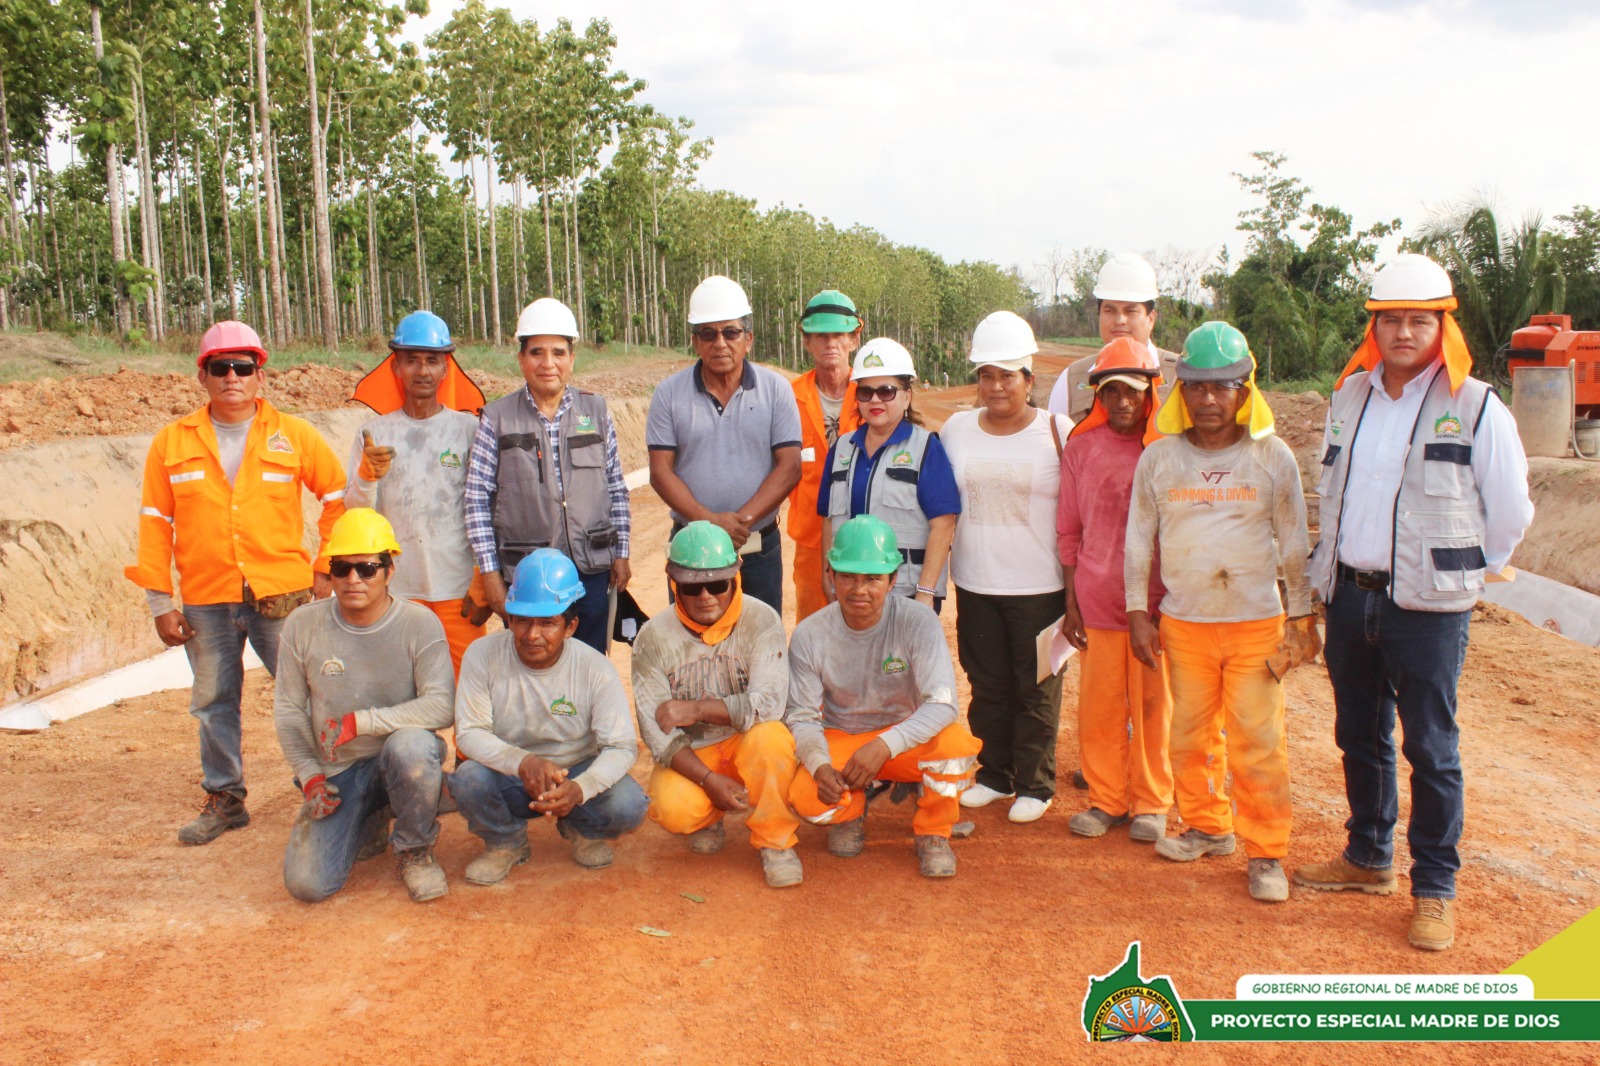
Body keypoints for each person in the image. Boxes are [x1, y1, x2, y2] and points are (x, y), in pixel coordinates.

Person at [1295, 253, 1534, 951]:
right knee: (1359, 735)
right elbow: (1332, 494)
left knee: (1432, 747)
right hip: (1351, 595)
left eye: (1419, 320)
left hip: (1429, 607)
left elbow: (1511, 508)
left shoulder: (1476, 405)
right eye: (1391, 320)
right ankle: (1368, 858)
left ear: (1442, 325)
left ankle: (1435, 887)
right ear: (1374, 326)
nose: (1404, 332)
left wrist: (1471, 571)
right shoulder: (1351, 399)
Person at [126, 320, 346, 845]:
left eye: (242, 367)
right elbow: (155, 522)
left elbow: (337, 498)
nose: (231, 377)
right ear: (202, 376)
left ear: (259, 376)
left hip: (282, 594)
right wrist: (160, 600)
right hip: (206, 599)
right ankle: (225, 797)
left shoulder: (293, 436)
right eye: (219, 368)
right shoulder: (172, 443)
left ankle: (329, 788)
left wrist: (323, 570)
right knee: (213, 700)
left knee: (308, 694)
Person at [1124, 321, 1318, 903]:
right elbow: (1138, 542)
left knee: (1259, 739)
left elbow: (1293, 542)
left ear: (1245, 389)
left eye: (1223, 387)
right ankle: (1208, 826)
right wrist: (1139, 611)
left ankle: (1267, 853)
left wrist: (1302, 615)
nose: (1209, 399)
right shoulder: (1159, 462)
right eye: (1198, 387)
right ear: (1180, 392)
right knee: (1188, 735)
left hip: (1257, 623)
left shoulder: (1271, 456)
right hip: (1185, 624)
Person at [273, 509, 454, 903]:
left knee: (411, 746)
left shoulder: (418, 623)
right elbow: (288, 710)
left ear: (390, 571)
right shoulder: (303, 625)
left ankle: (414, 849)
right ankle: (371, 815)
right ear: (330, 573)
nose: (354, 579)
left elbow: (442, 706)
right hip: (339, 769)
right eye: (342, 568)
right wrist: (309, 775)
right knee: (308, 885)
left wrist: (364, 722)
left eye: (368, 568)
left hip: (401, 758)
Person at [785, 516, 981, 878]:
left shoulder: (918, 622)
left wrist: (886, 744)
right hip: (844, 736)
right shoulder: (810, 634)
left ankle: (934, 832)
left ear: (893, 579)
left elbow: (942, 703)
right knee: (807, 798)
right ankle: (849, 810)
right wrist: (818, 764)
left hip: (905, 738)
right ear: (831, 575)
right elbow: (801, 716)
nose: (859, 589)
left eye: (873, 578)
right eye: (848, 576)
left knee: (954, 747)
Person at [942, 311, 1073, 825]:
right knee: (988, 683)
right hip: (975, 581)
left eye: (1007, 376)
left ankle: (1035, 783)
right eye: (986, 375)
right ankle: (994, 774)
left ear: (1029, 380)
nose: (996, 387)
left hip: (1039, 587)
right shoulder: (955, 430)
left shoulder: (1058, 432)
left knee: (1037, 688)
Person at [448, 550, 646, 883]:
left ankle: (580, 826)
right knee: (468, 779)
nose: (532, 634)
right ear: (509, 618)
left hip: (576, 768)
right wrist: (524, 762)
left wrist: (580, 788)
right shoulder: (482, 656)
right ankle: (505, 841)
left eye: (548, 622)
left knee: (629, 805)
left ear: (570, 626)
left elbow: (622, 746)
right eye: (522, 620)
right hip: (510, 774)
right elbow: (468, 732)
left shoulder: (594, 668)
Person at [631, 522, 801, 888]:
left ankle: (776, 839)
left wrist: (695, 709)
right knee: (670, 807)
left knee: (772, 738)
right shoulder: (653, 638)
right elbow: (656, 733)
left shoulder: (761, 620)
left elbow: (768, 705)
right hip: (696, 754)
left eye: (718, 584)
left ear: (736, 576)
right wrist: (707, 780)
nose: (706, 596)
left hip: (749, 742)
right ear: (673, 581)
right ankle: (710, 818)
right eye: (692, 586)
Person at [464, 297, 630, 654]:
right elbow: (477, 500)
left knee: (589, 663)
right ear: (522, 358)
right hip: (527, 575)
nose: (548, 363)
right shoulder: (496, 418)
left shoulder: (596, 411)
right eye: (537, 352)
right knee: (533, 662)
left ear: (572, 357)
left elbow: (615, 487)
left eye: (558, 352)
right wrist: (490, 575)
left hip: (591, 568)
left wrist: (622, 553)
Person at [1057, 337, 1173, 843]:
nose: (1123, 402)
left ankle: (1152, 803)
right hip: (1098, 601)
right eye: (1112, 392)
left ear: (1150, 392)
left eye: (1132, 391)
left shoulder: (1168, 451)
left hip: (1154, 606)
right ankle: (1107, 799)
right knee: (1100, 709)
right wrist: (1071, 602)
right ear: (1098, 397)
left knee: (1152, 708)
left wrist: (1171, 602)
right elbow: (1069, 530)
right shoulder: (1081, 448)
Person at [647, 275, 802, 615]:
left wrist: (740, 522)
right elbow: (660, 472)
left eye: (730, 332)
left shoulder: (776, 390)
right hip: (692, 548)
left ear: (748, 339)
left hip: (756, 547)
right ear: (695, 341)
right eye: (708, 333)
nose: (720, 342)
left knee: (760, 647)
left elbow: (789, 466)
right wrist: (710, 524)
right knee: (691, 651)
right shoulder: (669, 395)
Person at [346, 311, 490, 674]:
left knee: (468, 700)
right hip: (396, 593)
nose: (422, 371)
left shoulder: (469, 430)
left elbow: (486, 509)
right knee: (402, 697)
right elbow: (358, 518)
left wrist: (481, 578)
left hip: (457, 593)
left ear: (446, 368)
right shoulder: (374, 433)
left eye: (432, 361)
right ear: (396, 367)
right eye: (411, 361)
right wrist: (367, 476)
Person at [819, 337, 960, 612]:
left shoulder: (926, 448)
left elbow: (943, 524)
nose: (874, 400)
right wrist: (828, 575)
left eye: (886, 391)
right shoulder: (841, 449)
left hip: (905, 596)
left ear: (907, 395)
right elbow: (828, 519)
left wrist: (926, 593)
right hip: (852, 593)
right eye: (865, 392)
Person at [788, 290, 863, 621]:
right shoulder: (788, 398)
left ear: (854, 339)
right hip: (810, 539)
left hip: (864, 531)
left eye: (838, 335)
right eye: (820, 336)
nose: (829, 343)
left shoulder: (872, 393)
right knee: (812, 626)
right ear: (807, 342)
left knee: (866, 625)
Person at [1046, 253, 1180, 423]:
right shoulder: (1072, 379)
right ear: (1099, 315)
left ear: (1151, 318)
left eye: (1130, 311)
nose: (1119, 321)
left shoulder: (1180, 375)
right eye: (1110, 310)